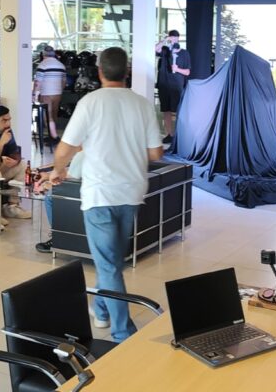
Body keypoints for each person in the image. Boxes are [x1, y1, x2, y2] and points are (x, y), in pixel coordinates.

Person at [48, 47, 164, 342]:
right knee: (111, 261)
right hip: (132, 191)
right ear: (127, 72)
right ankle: (100, 309)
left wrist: (58, 170)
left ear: (99, 72)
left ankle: (123, 333)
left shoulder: (90, 102)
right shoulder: (142, 104)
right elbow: (155, 153)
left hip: (100, 193)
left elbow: (65, 148)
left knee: (109, 264)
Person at [155, 30, 191, 144]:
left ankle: (180, 135)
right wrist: (165, 39)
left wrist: (177, 69)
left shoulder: (184, 53)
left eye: (175, 37)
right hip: (164, 85)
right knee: (166, 110)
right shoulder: (165, 50)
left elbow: (187, 72)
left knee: (179, 110)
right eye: (171, 37)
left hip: (177, 86)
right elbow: (155, 49)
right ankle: (169, 135)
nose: (173, 39)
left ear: (178, 38)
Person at [33, 46, 67, 140]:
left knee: (47, 115)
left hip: (46, 93)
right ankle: (52, 136)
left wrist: (34, 94)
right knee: (54, 114)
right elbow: (64, 81)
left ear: (43, 54)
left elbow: (38, 82)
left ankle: (54, 137)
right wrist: (60, 90)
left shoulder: (42, 65)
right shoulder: (61, 65)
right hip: (57, 93)